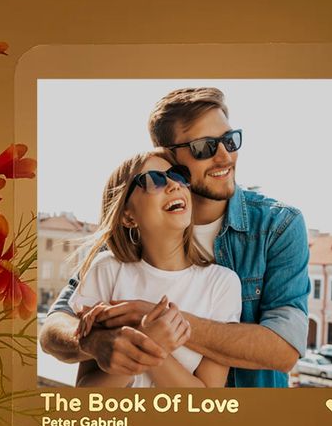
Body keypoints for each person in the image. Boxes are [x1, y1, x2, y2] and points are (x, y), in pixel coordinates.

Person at [40, 87, 310, 387]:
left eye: (229, 141)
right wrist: (90, 342)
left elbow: (285, 350)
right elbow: (56, 326)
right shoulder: (131, 235)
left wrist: (154, 323)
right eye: (204, 147)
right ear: (169, 156)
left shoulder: (279, 225)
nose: (225, 157)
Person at [70, 149, 241, 388]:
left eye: (179, 176)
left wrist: (148, 347)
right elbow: (87, 394)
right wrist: (152, 343)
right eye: (154, 180)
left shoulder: (222, 284)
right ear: (128, 216)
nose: (174, 185)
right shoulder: (106, 270)